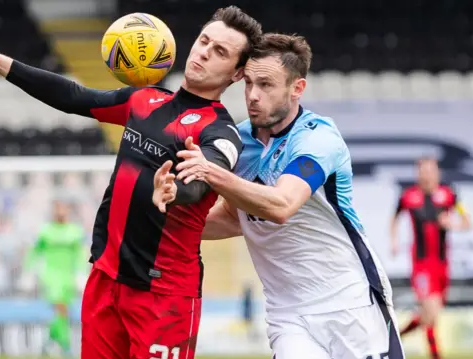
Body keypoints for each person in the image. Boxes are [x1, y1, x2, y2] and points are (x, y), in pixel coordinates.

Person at [0, 7, 262, 359]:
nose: (205, 51)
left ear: (238, 73)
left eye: (221, 51)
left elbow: (203, 178)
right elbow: (74, 96)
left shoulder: (220, 132)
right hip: (106, 279)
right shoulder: (144, 99)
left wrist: (176, 190)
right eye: (204, 41)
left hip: (164, 295)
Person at [153, 33, 404, 359]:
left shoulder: (317, 139)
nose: (253, 96)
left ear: (296, 88)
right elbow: (234, 218)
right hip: (287, 315)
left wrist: (211, 172)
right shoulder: (238, 141)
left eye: (267, 85)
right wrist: (161, 217)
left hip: (351, 303)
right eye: (249, 84)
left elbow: (283, 205)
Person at [390, 157, 471, 359]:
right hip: (422, 264)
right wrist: (394, 241)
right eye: (423, 171)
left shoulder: (449, 196)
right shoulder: (408, 196)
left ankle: (394, 338)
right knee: (430, 312)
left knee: (429, 315)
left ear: (437, 173)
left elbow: (467, 221)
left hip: (442, 263)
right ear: (418, 174)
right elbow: (394, 219)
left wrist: (452, 224)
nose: (427, 175)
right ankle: (436, 355)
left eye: (431, 171)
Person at [23, 199, 86, 357]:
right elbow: (35, 251)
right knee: (60, 307)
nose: (61, 212)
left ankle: (49, 341)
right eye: (58, 209)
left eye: (64, 209)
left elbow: (80, 254)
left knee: (62, 313)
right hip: (50, 275)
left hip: (68, 276)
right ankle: (66, 348)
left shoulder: (75, 231)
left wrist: (81, 273)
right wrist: (28, 272)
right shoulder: (45, 231)